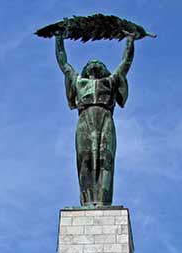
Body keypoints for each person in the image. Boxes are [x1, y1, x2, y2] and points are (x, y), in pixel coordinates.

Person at [52, 31, 137, 207]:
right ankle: (87, 201)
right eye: (91, 62)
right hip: (84, 119)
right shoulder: (78, 81)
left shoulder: (110, 81)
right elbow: (63, 63)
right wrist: (58, 38)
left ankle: (103, 201)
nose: (94, 63)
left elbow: (125, 64)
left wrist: (130, 40)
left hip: (105, 117)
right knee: (85, 159)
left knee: (105, 159)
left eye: (99, 62)